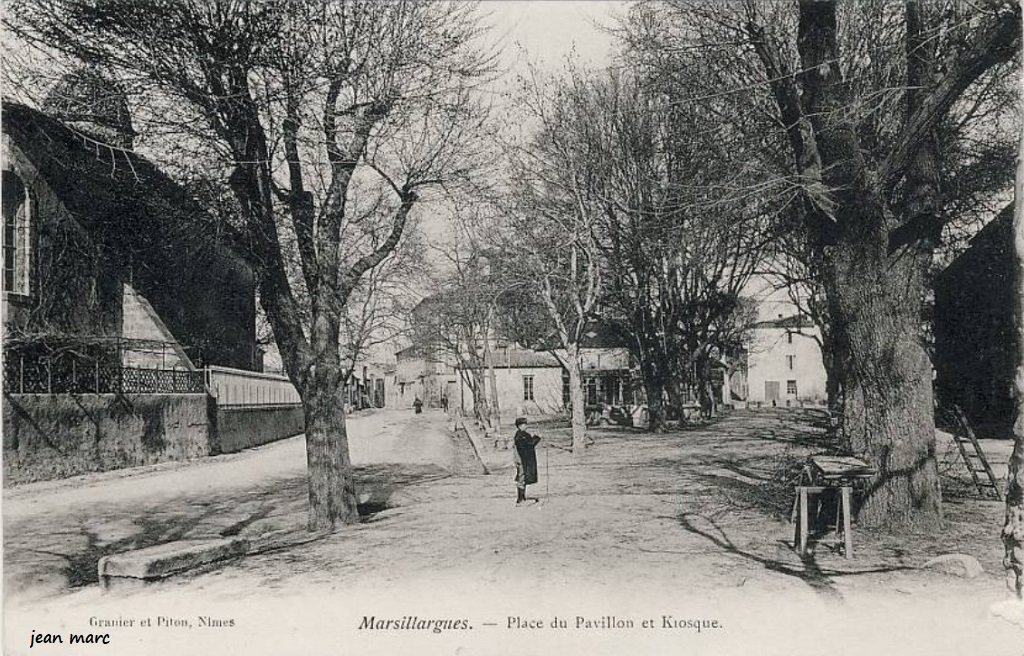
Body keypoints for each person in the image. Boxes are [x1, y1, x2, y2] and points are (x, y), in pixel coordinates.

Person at [513, 417, 541, 505]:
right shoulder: (520, 436)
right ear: (520, 426)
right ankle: (520, 500)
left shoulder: (522, 434)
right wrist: (537, 438)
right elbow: (529, 445)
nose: (526, 426)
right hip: (522, 460)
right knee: (522, 477)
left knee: (523, 477)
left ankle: (522, 497)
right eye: (525, 424)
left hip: (522, 459)